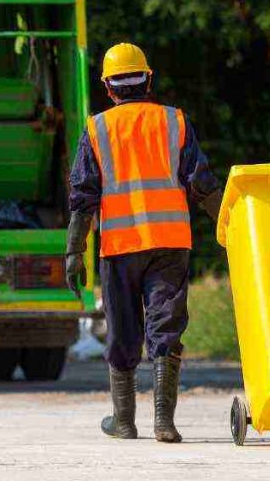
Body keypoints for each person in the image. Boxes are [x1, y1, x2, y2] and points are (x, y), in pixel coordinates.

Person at [65, 42, 222, 443]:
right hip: (170, 243)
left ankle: (123, 421)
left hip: (119, 246)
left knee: (123, 331)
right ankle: (163, 423)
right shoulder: (175, 122)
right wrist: (229, 226)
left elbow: (83, 198)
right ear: (148, 80)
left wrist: (73, 251)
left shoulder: (97, 128)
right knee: (165, 328)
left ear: (108, 87)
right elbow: (201, 185)